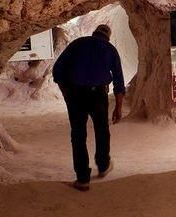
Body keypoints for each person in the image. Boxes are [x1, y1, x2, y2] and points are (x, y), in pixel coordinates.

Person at [51, 24, 125, 190]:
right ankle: (103, 164)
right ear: (108, 36)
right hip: (98, 95)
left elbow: (57, 71)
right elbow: (119, 82)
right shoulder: (110, 49)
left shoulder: (77, 44)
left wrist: (66, 91)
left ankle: (83, 178)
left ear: (94, 33)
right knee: (102, 130)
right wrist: (118, 108)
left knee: (78, 134)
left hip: (75, 94)